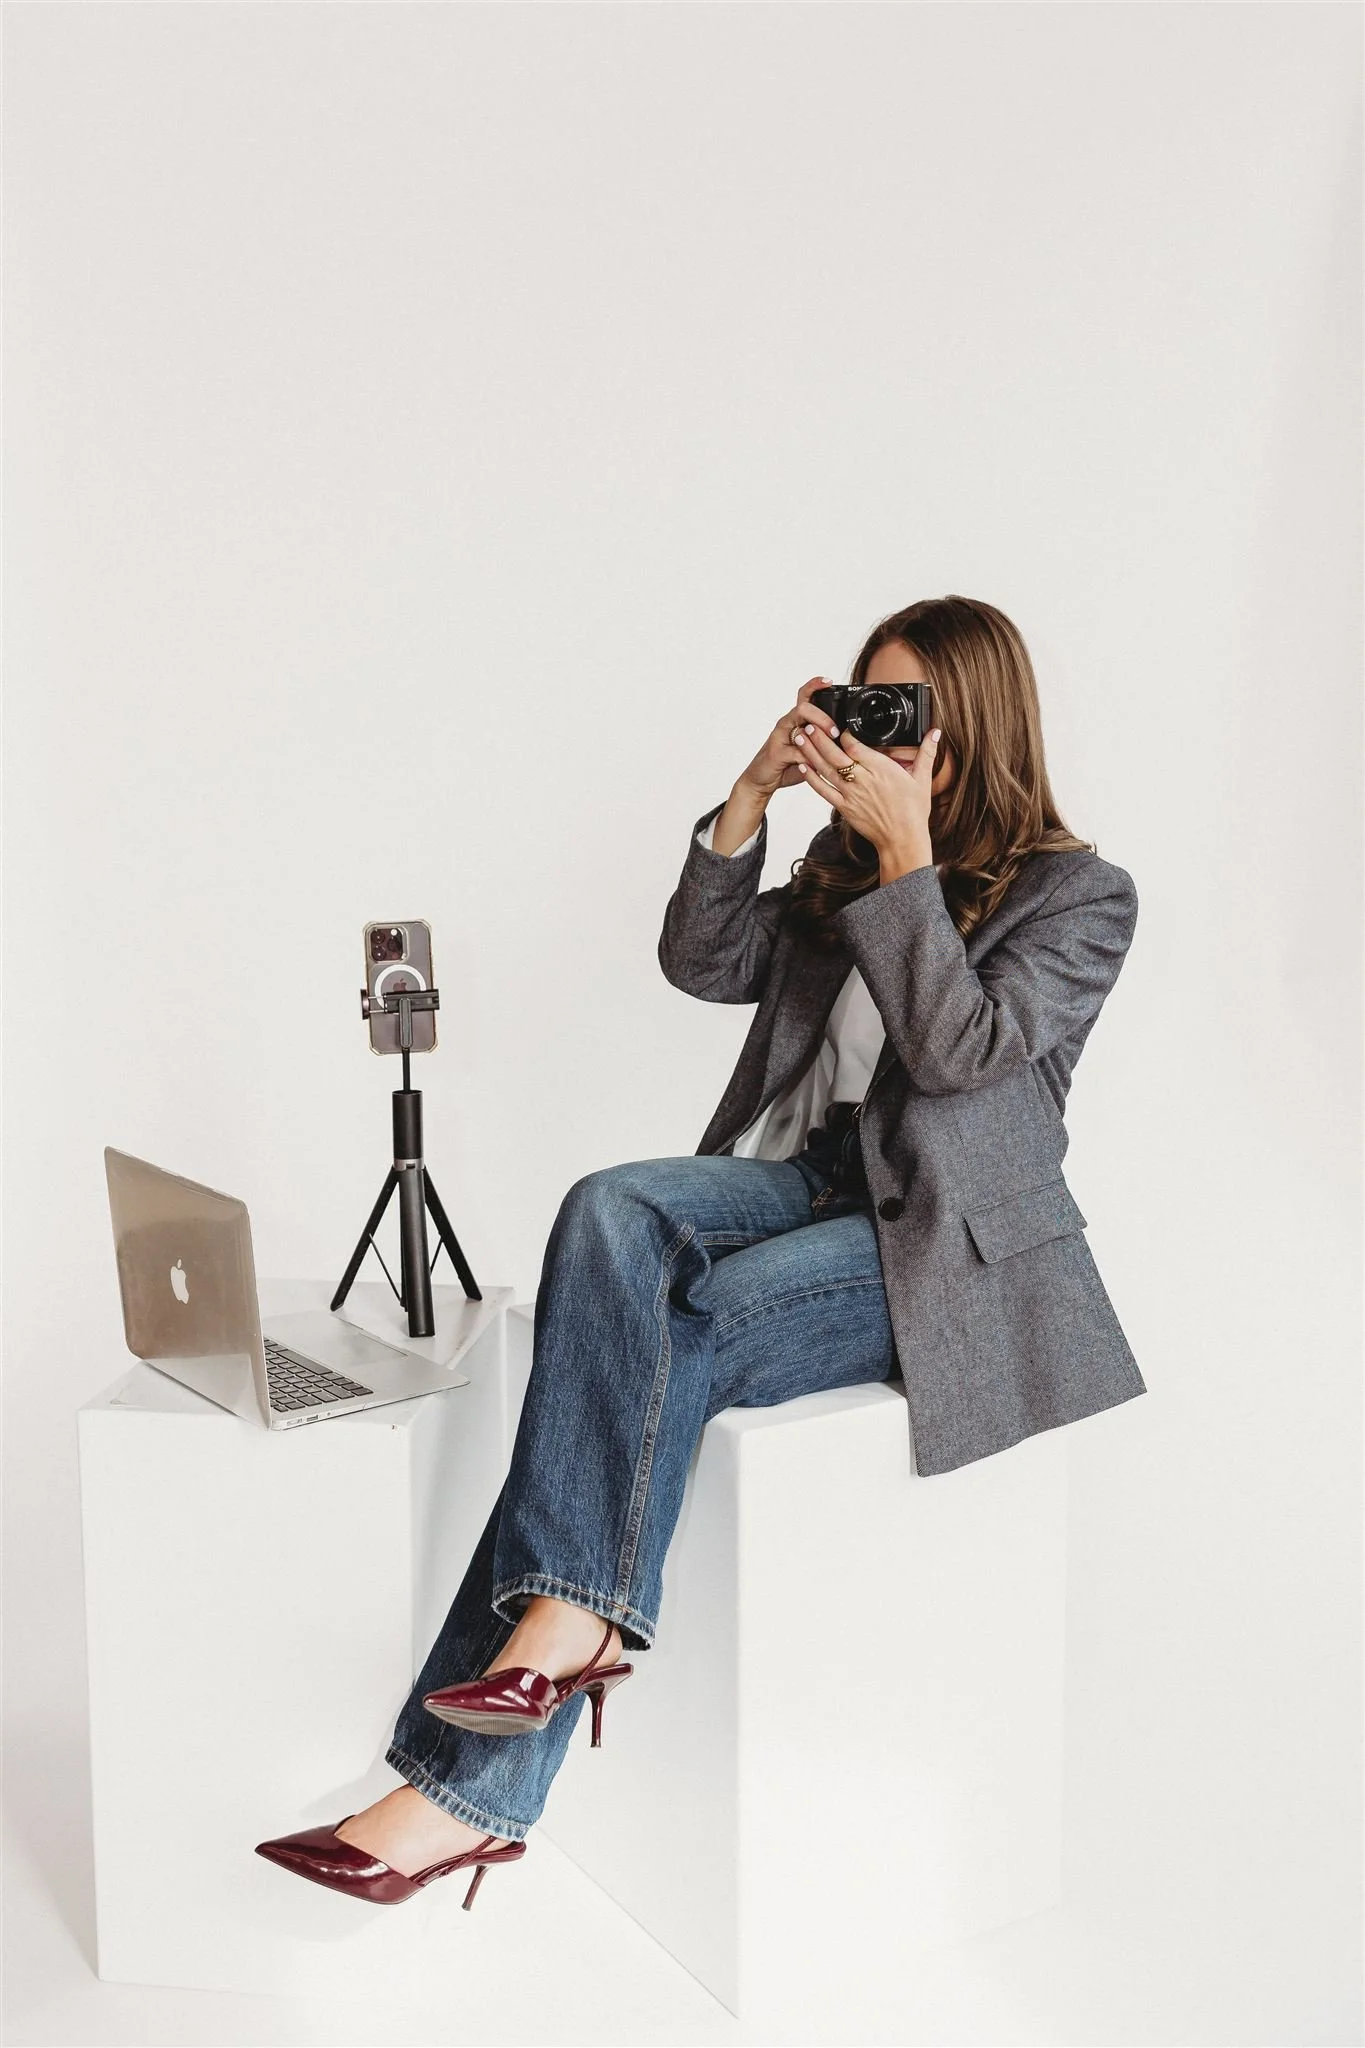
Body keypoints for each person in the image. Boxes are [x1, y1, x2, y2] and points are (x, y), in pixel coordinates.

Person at [255, 594, 1143, 1910]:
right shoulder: (843, 866)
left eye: (905, 717)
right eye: (862, 707)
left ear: (974, 732)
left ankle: (463, 1783)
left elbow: (962, 1058)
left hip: (938, 1242)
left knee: (693, 1324)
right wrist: (751, 797)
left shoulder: (1078, 896)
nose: (877, 736)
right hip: (805, 1177)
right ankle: (571, 1626)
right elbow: (701, 957)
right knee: (609, 1208)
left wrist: (910, 867)